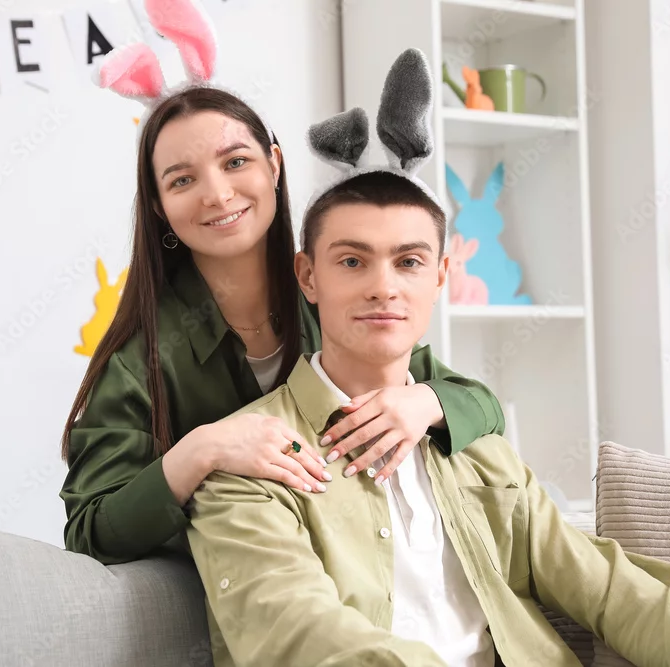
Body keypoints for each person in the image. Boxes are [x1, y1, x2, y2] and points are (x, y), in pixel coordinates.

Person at [185, 49, 670, 667]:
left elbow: (611, 590)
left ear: (441, 275)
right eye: (352, 261)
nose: (384, 287)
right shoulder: (247, 462)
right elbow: (300, 636)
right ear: (308, 276)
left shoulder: (481, 451)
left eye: (409, 262)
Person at [58, 0, 504, 567]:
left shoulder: (332, 293)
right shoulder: (140, 359)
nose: (217, 194)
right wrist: (204, 449)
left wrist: (427, 402)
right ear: (158, 204)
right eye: (182, 180)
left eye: (235, 162)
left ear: (274, 164)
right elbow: (90, 531)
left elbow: (482, 406)